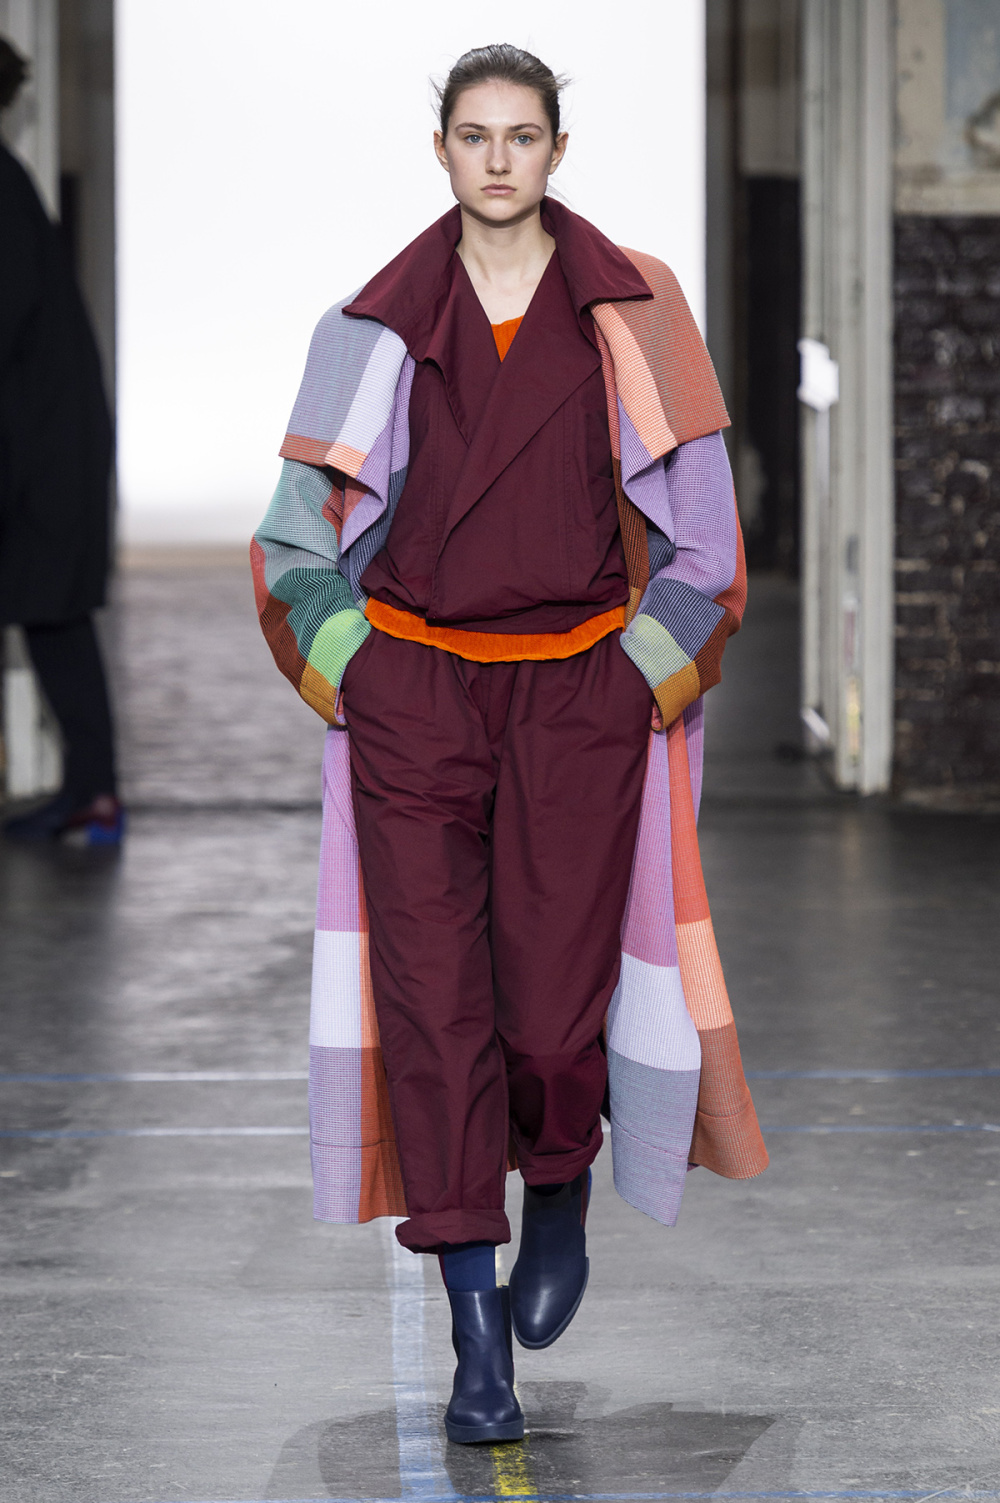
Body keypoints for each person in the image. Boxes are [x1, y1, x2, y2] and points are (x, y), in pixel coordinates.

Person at [254, 44, 767, 1445]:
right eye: (474, 135)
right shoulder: (369, 322)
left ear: (556, 150)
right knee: (434, 1008)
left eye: (521, 135)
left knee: (549, 1009)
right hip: (418, 698)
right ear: (441, 150)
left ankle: (557, 1180)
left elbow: (706, 535)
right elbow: (294, 536)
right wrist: (362, 672)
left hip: (575, 696)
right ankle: (475, 1334)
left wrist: (632, 679)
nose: (497, 159)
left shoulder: (637, 307)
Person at [0, 36, 123, 846]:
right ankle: (91, 791)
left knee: (53, 614)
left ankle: (92, 792)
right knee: (54, 618)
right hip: (43, 445)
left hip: (41, 453)